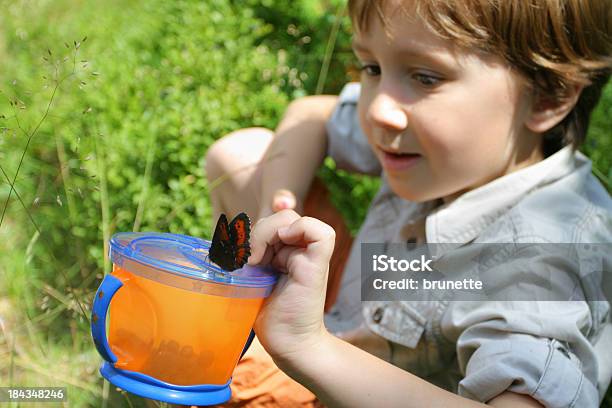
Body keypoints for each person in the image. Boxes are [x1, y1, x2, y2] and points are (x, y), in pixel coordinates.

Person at [205, 0, 612, 406]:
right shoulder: (447, 144)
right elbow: (310, 115)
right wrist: (276, 212)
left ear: (547, 97)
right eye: (372, 68)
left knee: (201, 366)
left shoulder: (545, 257)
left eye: (426, 77)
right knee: (241, 156)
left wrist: (309, 347)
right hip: (360, 306)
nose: (380, 109)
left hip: (357, 388)